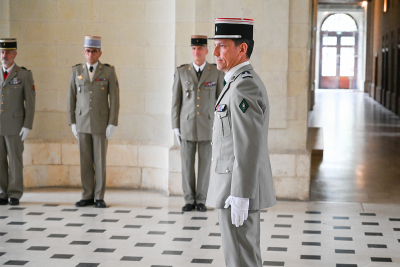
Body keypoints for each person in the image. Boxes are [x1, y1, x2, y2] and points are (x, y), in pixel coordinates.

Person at [206, 18, 277, 266]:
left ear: (242, 48)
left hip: (235, 190)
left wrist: (241, 195)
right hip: (231, 187)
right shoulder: (235, 83)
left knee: (240, 258)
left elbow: (248, 146)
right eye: (215, 45)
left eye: (222, 46)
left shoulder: (244, 86)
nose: (214, 52)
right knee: (240, 255)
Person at [171, 35, 224, 212]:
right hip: (186, 125)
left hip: (208, 126)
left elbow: (221, 101)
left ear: (206, 51)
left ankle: (201, 199)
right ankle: (189, 199)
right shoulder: (182, 72)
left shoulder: (215, 72)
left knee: (204, 165)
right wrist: (175, 126)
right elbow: (175, 101)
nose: (196, 51)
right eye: (194, 49)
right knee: (186, 164)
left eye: (200, 48)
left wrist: (222, 125)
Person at [68, 35, 120, 208]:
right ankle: (87, 194)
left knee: (99, 161)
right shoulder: (76, 71)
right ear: (84, 52)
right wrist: (72, 122)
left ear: (100, 53)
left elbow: (114, 98)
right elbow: (71, 98)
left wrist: (112, 122)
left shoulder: (108, 71)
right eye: (88, 51)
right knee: (85, 161)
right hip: (82, 122)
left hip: (100, 123)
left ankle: (99, 196)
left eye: (94, 51)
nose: (91, 54)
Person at [0, 38, 36, 206]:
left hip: (15, 125)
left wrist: (27, 125)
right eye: (2, 52)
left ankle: (14, 193)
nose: (4, 55)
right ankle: (2, 192)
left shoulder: (23, 74)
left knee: (15, 160)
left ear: (15, 54)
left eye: (7, 52)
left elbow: (30, 102)